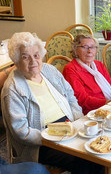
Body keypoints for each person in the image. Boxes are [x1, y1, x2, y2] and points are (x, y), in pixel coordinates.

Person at [1, 32, 103, 174]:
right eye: (25, 57)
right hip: (42, 143)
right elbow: (21, 131)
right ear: (16, 61)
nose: (33, 62)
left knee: (101, 147)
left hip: (70, 129)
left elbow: (71, 97)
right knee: (85, 159)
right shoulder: (13, 88)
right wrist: (51, 136)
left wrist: (78, 123)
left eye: (36, 55)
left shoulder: (50, 70)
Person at [63, 34, 111, 115]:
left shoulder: (99, 65)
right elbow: (81, 100)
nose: (90, 51)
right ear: (75, 49)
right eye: (85, 47)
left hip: (110, 104)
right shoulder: (71, 69)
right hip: (92, 112)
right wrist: (106, 102)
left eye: (92, 47)